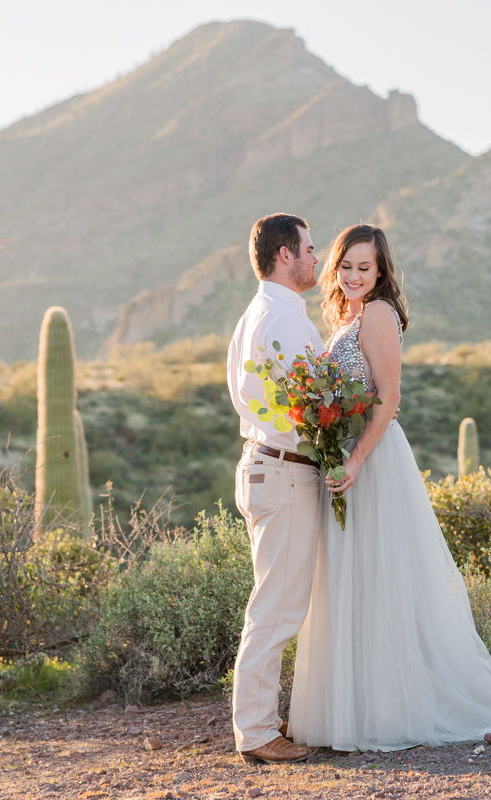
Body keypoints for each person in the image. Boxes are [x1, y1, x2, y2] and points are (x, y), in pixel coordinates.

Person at [288, 223, 491, 752]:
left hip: (371, 459)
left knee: (381, 578)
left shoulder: (378, 314)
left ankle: (393, 709)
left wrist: (355, 459)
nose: (352, 276)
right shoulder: (344, 316)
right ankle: (355, 707)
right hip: (344, 457)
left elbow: (388, 398)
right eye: (345, 266)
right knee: (352, 581)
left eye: (363, 268)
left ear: (380, 271)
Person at [226, 213, 323, 765]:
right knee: (277, 608)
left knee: (276, 601)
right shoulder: (280, 319)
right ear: (285, 254)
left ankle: (260, 719)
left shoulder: (260, 313)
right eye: (308, 249)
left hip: (268, 466)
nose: (315, 259)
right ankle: (258, 732)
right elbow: (304, 406)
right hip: (284, 470)